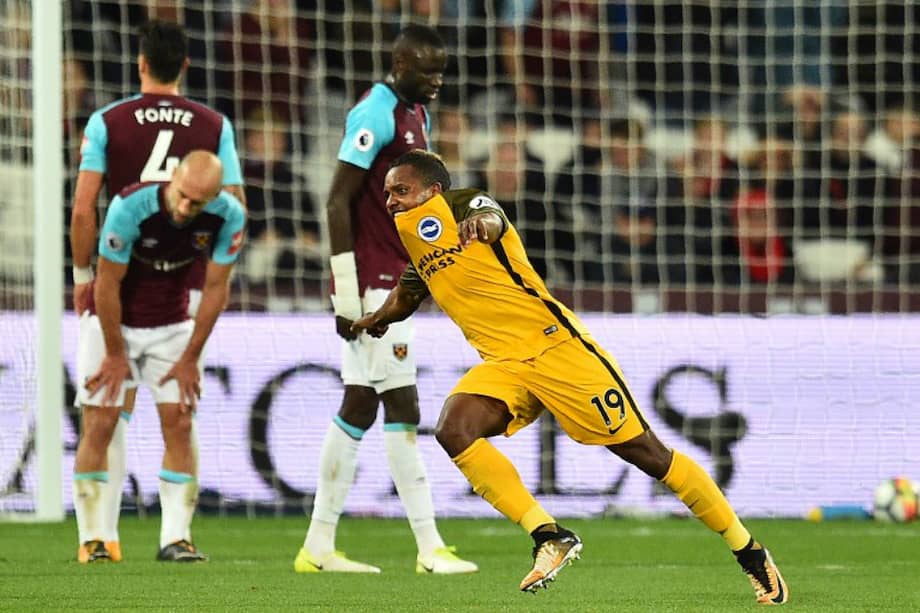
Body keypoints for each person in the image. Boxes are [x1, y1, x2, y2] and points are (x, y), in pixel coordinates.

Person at [350, 150, 789, 604]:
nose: (391, 202)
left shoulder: (466, 205)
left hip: (558, 349)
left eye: (401, 191)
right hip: (504, 363)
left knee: (647, 454)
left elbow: (491, 217)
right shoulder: (418, 245)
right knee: (453, 429)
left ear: (432, 191)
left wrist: (485, 226)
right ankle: (548, 535)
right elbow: (407, 292)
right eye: (386, 194)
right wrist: (376, 319)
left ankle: (749, 551)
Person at [294, 24, 477, 575]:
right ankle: (428, 548)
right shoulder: (375, 112)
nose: (437, 80)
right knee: (401, 407)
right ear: (399, 63)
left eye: (442, 70)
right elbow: (336, 201)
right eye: (427, 70)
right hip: (374, 283)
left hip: (395, 275)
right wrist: (346, 295)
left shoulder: (414, 111)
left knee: (360, 404)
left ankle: (319, 547)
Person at [69, 19, 246, 562]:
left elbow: (81, 208)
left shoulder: (107, 120)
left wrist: (80, 277)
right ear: (187, 65)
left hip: (154, 298)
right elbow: (234, 193)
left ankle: (159, 536)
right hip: (137, 289)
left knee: (159, 414)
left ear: (140, 63)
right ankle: (99, 539)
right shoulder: (214, 123)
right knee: (111, 414)